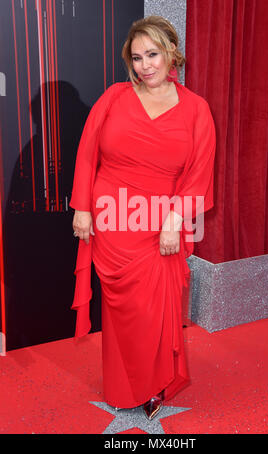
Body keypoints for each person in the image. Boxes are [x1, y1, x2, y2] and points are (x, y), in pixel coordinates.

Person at [70, 15, 216, 421]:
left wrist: (174, 219)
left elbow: (199, 173)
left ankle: (155, 384)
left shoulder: (196, 110)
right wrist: (83, 208)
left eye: (152, 54)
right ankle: (122, 385)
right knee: (121, 315)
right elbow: (87, 154)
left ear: (172, 53)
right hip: (113, 221)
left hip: (159, 225)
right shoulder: (114, 98)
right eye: (136, 57)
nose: (145, 65)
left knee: (156, 310)